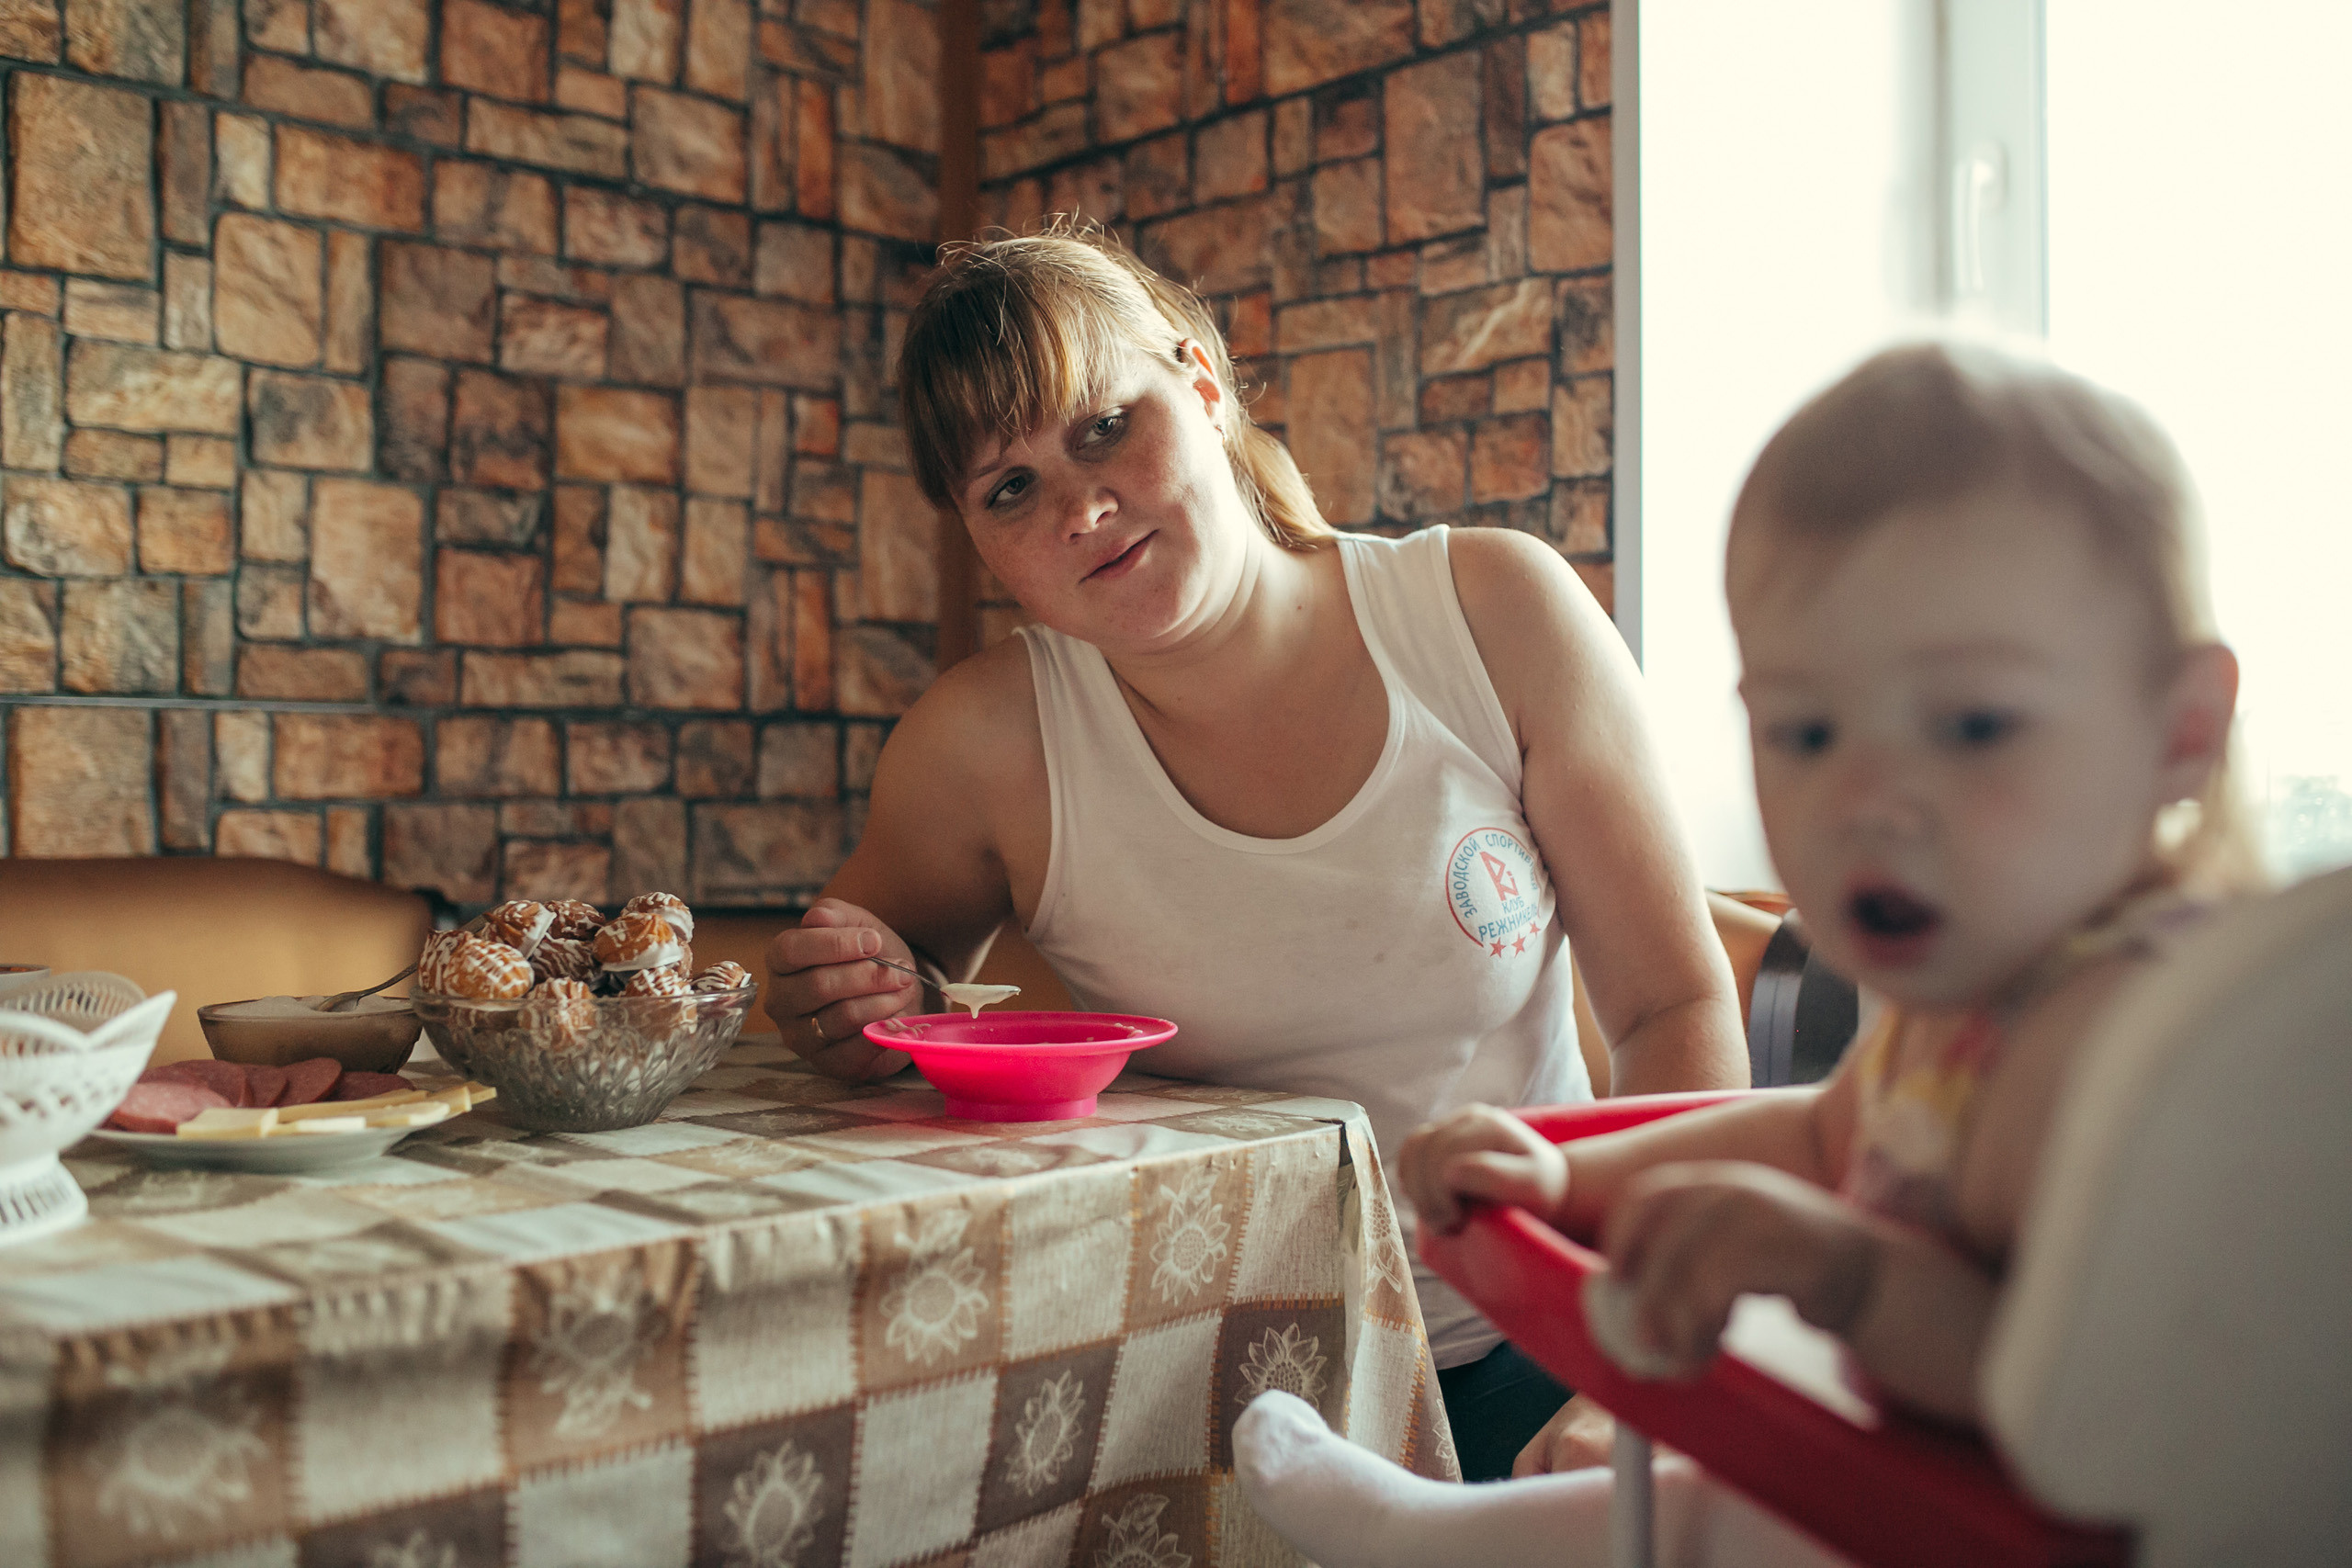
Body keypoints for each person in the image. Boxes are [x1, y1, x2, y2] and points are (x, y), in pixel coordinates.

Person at [1232, 339, 2265, 1565]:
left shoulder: (2163, 1047)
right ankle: (1438, 1537)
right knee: (1711, 1512)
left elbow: (2091, 1406)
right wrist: (1573, 1182)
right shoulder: (1980, 992)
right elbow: (1830, 1135)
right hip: (1895, 1495)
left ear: (2182, 730)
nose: (1868, 797)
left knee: (1734, 1525)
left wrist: (1849, 1280)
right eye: (1806, 729)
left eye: (1975, 722)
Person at [761, 221, 1750, 1479]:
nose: (1080, 507)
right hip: (1189, 1384)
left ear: (1204, 383)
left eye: (1103, 426)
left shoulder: (1494, 615)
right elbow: (860, 995)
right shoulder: (980, 745)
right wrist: (843, 1000)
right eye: (1010, 490)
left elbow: (1672, 1007)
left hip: (1536, 1357)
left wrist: (1644, 1360)